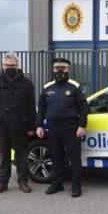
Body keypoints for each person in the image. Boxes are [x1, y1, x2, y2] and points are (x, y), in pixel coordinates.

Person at [36, 58, 88, 198]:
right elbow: (41, 107)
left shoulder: (74, 86)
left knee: (74, 158)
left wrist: (82, 125)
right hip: (53, 129)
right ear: (53, 70)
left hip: (71, 129)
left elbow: (83, 107)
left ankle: (76, 186)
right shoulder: (47, 86)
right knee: (56, 157)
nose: (60, 72)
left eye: (63, 69)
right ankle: (57, 184)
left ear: (67, 70)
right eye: (57, 69)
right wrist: (39, 125)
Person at [0, 52, 36, 195]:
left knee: (21, 156)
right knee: (4, 157)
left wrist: (32, 126)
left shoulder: (27, 84)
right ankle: (2, 183)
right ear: (3, 66)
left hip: (21, 126)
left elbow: (31, 107)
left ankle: (23, 182)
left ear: (18, 66)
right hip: (2, 126)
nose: (10, 68)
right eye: (8, 65)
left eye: (13, 65)